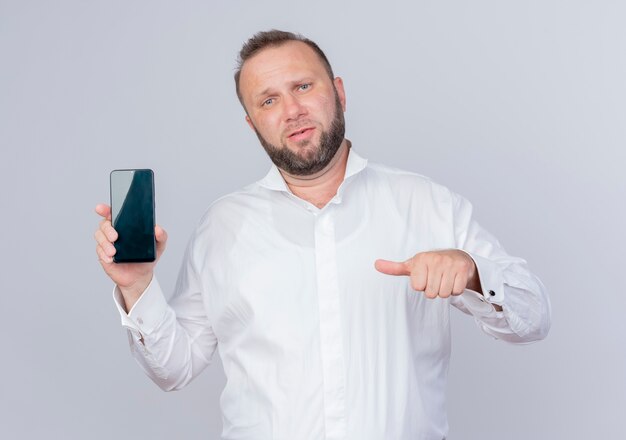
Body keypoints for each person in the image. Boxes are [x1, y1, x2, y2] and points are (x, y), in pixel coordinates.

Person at [94, 30, 551, 440]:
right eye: (268, 101)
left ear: (339, 92)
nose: (292, 111)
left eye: (303, 86)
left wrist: (472, 272)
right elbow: (173, 369)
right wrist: (137, 288)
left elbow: (533, 318)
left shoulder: (426, 203)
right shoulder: (223, 226)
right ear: (253, 125)